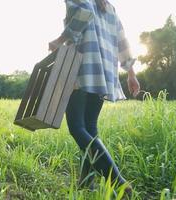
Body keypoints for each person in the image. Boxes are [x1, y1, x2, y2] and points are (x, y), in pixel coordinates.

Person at [48, 0, 140, 197]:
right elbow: (122, 40)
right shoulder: (109, 6)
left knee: (77, 128)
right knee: (90, 128)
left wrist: (59, 40)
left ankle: (120, 183)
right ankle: (86, 181)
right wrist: (131, 73)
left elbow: (83, 12)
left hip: (80, 67)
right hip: (104, 72)